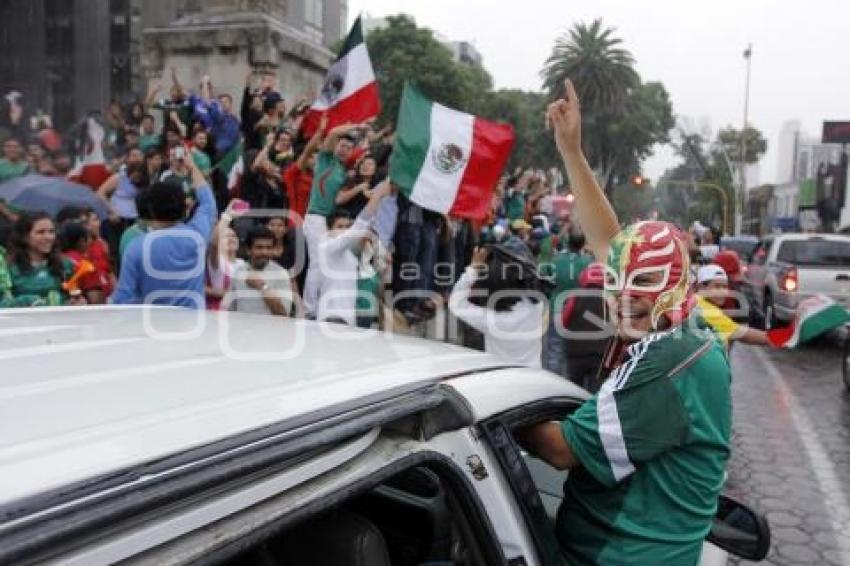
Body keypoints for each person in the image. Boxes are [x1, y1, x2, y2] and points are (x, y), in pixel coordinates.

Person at [518, 79, 731, 565]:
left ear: (677, 285)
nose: (623, 304)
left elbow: (559, 451)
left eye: (640, 292)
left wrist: (493, 415)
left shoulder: (669, 357)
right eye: (617, 288)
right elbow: (608, 242)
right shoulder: (683, 324)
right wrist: (571, 152)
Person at [112, 151, 216, 308]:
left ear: (150, 210)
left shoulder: (136, 247)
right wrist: (192, 166)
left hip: (152, 329)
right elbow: (208, 202)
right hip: (195, 328)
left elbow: (123, 299)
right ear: (185, 208)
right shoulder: (197, 236)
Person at [448, 245, 546, 368]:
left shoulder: (490, 319)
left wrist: (473, 269)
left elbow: (456, 302)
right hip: (534, 374)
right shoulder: (536, 306)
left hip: (501, 378)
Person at [314, 181, 392, 325]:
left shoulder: (351, 254)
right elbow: (359, 226)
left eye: (347, 226)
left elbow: (367, 229)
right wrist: (377, 196)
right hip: (332, 318)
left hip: (348, 321)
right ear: (328, 229)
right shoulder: (327, 247)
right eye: (340, 226)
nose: (344, 230)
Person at [302, 121, 358, 317]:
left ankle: (319, 307)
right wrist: (356, 125)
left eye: (349, 148)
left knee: (325, 264)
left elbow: (339, 199)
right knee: (317, 263)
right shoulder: (325, 159)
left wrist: (359, 188)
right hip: (315, 217)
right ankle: (308, 309)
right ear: (335, 146)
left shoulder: (342, 172)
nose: (344, 150)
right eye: (342, 146)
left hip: (328, 220)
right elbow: (334, 131)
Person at [542, 228, 593, 377]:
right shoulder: (588, 262)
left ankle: (553, 384)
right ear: (583, 243)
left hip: (557, 307)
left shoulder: (555, 260)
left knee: (555, 350)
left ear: (568, 242)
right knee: (576, 350)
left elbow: (544, 274)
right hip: (579, 311)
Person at [0, 212, 79, 307]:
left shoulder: (66, 264)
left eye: (51, 232)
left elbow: (74, 295)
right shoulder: (7, 267)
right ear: (24, 237)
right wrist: (27, 301)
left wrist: (75, 302)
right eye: (40, 232)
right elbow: (4, 303)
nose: (48, 237)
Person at [694, 264, 772, 347]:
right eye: (717, 286)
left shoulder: (695, 300)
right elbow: (742, 333)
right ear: (701, 287)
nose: (722, 291)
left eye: (724, 287)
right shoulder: (705, 308)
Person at [227, 226, 298, 316]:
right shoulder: (239, 272)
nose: (264, 252)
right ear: (248, 250)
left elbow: (283, 314)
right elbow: (230, 311)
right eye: (259, 247)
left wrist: (262, 287)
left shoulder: (281, 274)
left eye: (268, 248)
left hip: (269, 329)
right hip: (241, 328)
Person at [97, 162, 148, 262]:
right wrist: (111, 210)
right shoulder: (118, 178)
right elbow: (100, 192)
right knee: (117, 250)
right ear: (130, 172)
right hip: (117, 219)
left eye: (139, 177)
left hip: (134, 219)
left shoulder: (142, 183)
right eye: (135, 176)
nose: (136, 179)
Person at [205, 202, 245, 311]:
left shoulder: (243, 264)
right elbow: (214, 242)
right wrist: (228, 215)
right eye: (226, 236)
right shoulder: (217, 263)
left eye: (234, 236)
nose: (231, 238)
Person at [58, 221, 105, 304]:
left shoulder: (53, 262)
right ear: (82, 241)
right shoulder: (85, 266)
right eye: (89, 238)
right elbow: (96, 301)